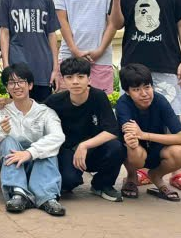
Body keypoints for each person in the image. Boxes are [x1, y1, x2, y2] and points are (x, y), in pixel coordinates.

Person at [109, 0, 181, 194]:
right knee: (131, 119)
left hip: (168, 63)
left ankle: (176, 172)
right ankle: (133, 175)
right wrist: (116, 0)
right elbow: (117, 24)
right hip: (134, 67)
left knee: (172, 116)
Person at [45, 57, 125, 201]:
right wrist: (8, 102)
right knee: (68, 182)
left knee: (117, 147)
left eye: (80, 77)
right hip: (68, 150)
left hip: (93, 149)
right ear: (63, 80)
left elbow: (112, 131)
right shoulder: (55, 101)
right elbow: (33, 110)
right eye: (69, 77)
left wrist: (84, 145)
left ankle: (102, 185)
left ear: (89, 79)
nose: (75, 81)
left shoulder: (98, 97)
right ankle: (69, 179)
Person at [0, 63, 66, 215]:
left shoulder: (45, 113)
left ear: (30, 85)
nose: (16, 86)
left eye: (21, 82)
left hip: (39, 165)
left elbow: (58, 136)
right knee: (7, 140)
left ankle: (47, 197)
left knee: (47, 146)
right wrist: (1, 132)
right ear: (7, 88)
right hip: (12, 165)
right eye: (11, 83)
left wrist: (30, 153)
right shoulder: (0, 113)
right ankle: (18, 193)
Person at [116, 63, 181, 202]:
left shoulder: (160, 101)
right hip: (136, 151)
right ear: (127, 92)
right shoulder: (123, 104)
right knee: (131, 145)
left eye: (147, 87)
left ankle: (156, 176)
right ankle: (132, 176)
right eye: (136, 89)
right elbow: (129, 133)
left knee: (180, 153)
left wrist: (144, 135)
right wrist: (133, 137)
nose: (144, 94)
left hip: (157, 148)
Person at [54, 0, 118, 93]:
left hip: (100, 57)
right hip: (69, 55)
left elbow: (112, 23)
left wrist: (100, 50)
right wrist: (74, 50)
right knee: (68, 101)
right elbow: (62, 20)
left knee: (100, 101)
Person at [0, 0, 60, 101]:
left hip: (42, 66)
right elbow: (4, 33)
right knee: (18, 110)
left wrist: (55, 68)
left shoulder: (46, 0)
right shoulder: (6, 0)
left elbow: (52, 34)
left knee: (43, 110)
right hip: (17, 66)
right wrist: (5, 64)